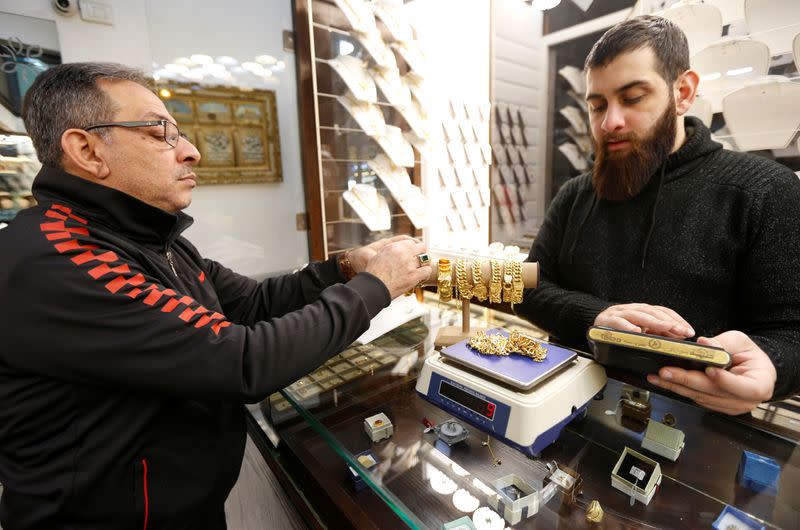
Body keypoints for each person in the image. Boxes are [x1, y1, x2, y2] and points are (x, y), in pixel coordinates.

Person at [0, 62, 432, 529]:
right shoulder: (59, 260)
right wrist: (377, 287)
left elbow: (251, 303)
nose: (191, 151)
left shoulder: (146, 238)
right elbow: (242, 362)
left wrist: (344, 268)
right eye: (159, 131)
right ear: (86, 149)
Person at [517, 15, 800, 416]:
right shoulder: (575, 195)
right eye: (597, 106)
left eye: (632, 98)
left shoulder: (764, 192)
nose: (609, 122)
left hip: (701, 437)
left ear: (682, 92)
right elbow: (527, 288)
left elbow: (792, 332)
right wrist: (596, 317)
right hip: (563, 411)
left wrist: (773, 364)